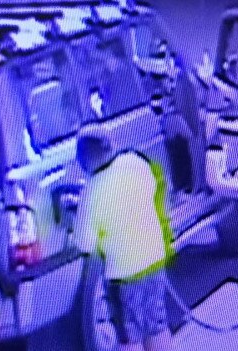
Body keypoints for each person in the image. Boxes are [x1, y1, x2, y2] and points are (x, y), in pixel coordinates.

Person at [74, 125, 175, 351]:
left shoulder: (91, 190)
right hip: (155, 259)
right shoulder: (135, 162)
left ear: (85, 159)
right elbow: (154, 187)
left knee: (129, 334)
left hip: (125, 273)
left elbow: (84, 243)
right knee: (157, 323)